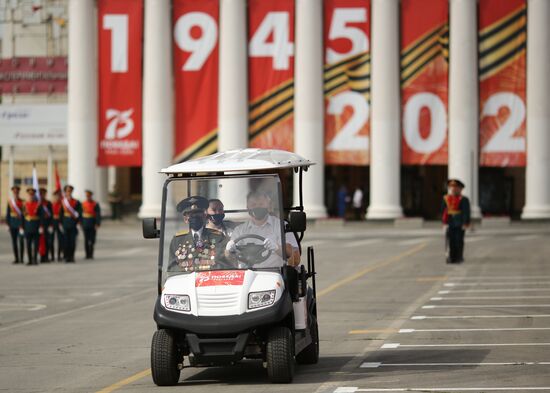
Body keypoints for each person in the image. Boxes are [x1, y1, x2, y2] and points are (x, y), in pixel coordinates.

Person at [225, 191, 296, 269]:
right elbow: (230, 259)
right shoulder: (240, 230)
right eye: (253, 205)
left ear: (268, 206)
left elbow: (291, 253)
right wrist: (229, 251)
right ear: (247, 208)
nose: (257, 207)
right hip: (247, 273)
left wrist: (276, 247)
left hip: (274, 272)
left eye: (261, 204)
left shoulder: (281, 225)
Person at [168, 196, 227, 271]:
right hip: (185, 280)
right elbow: (172, 268)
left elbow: (222, 264)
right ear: (186, 219)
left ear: (204, 215)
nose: (195, 216)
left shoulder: (217, 237)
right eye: (191, 215)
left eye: (198, 213)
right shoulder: (177, 240)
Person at [442, 179, 471, 263]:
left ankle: (459, 257)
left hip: (459, 222)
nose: (453, 189)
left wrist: (465, 222)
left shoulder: (464, 199)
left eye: (455, 187)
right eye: (451, 187)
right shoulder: (446, 198)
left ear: (460, 189)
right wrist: (444, 222)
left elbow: (466, 212)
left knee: (458, 240)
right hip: (449, 222)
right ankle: (451, 257)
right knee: (450, 241)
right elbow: (443, 210)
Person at [60, 185, 82, 263]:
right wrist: (60, 223)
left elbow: (79, 213)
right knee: (65, 241)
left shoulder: (76, 202)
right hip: (65, 223)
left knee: (72, 241)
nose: (69, 192)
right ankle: (66, 256)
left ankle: (72, 256)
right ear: (65, 192)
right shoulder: (63, 202)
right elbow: (61, 213)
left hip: (73, 223)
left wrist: (79, 222)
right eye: (67, 191)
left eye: (70, 191)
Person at [22, 188, 44, 265]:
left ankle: (35, 259)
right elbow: (23, 217)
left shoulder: (38, 204)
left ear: (34, 195)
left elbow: (41, 216)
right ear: (28, 195)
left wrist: (41, 226)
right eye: (29, 195)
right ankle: (30, 260)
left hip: (36, 226)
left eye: (32, 195)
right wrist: (22, 227)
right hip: (27, 227)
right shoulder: (25, 204)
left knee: (36, 244)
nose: (31, 196)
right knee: (28, 244)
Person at [6, 185, 25, 264]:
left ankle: (21, 258)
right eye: (14, 193)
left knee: (21, 242)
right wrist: (8, 224)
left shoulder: (22, 202)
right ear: (13, 193)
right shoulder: (10, 202)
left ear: (19, 193)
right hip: (12, 224)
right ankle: (16, 258)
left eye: (17, 192)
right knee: (14, 242)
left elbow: (23, 215)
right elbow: (8, 214)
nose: (16, 194)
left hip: (20, 224)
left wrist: (22, 225)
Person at [82, 190, 101, 259]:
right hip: (85, 223)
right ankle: (87, 254)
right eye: (87, 196)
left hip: (92, 223)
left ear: (91, 196)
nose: (88, 197)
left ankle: (91, 253)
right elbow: (81, 214)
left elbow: (98, 214)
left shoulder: (95, 204)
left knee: (92, 239)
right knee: (86, 239)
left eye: (89, 196)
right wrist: (81, 223)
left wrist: (97, 223)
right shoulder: (83, 203)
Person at [39, 188, 53, 263]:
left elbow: (51, 215)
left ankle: (46, 257)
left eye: (44, 194)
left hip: (47, 225)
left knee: (47, 241)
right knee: (40, 242)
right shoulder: (38, 203)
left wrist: (51, 225)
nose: (42, 195)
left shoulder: (48, 203)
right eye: (41, 194)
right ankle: (41, 256)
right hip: (40, 225)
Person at [51, 190, 64, 262]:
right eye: (56, 196)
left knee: (60, 240)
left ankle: (59, 256)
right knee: (51, 240)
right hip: (53, 223)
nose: (57, 197)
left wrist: (61, 224)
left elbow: (63, 215)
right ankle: (52, 256)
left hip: (59, 223)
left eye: (58, 196)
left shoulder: (62, 205)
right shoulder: (51, 204)